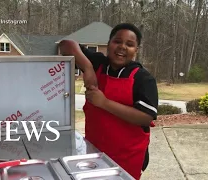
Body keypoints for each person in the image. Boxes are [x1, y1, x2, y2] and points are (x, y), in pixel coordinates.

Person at [59, 23, 158, 180]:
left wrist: (104, 103)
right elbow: (66, 44)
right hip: (94, 150)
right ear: (108, 44)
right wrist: (88, 68)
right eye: (117, 41)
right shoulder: (98, 63)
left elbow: (146, 116)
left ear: (136, 51)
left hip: (128, 156)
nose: (122, 47)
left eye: (130, 44)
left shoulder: (143, 78)